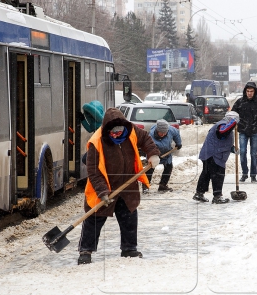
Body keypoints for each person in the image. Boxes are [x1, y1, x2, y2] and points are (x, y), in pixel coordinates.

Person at [77, 108, 159, 265]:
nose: (117, 135)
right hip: (105, 186)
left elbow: (146, 139)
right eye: (113, 133)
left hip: (128, 185)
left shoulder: (131, 130)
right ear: (107, 129)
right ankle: (86, 250)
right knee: (94, 218)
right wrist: (102, 192)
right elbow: (93, 171)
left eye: (120, 132)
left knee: (129, 217)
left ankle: (129, 248)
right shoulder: (96, 141)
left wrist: (152, 153)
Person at [193, 111, 239, 204]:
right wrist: (233, 122)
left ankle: (199, 193)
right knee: (218, 175)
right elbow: (222, 132)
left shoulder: (225, 126)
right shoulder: (222, 125)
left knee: (206, 174)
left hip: (210, 153)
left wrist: (233, 149)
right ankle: (217, 196)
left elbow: (222, 140)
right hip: (214, 155)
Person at [232, 81, 257, 183]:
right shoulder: (240, 102)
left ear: (254, 92)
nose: (249, 93)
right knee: (242, 152)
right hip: (243, 131)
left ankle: (253, 175)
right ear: (245, 91)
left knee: (253, 154)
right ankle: (245, 173)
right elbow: (232, 114)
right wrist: (236, 124)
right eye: (248, 91)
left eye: (251, 91)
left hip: (254, 131)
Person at [145, 119, 182, 194]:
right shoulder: (151, 136)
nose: (163, 134)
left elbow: (176, 134)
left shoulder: (171, 130)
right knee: (149, 170)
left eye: (165, 133)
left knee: (168, 167)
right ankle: (146, 186)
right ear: (157, 130)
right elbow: (148, 147)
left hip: (167, 153)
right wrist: (154, 156)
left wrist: (178, 143)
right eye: (161, 133)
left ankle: (163, 186)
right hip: (154, 154)